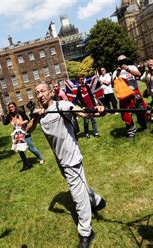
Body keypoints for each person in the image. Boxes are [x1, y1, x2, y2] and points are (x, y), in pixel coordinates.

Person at [28, 83, 106, 248]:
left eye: (43, 91)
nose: (40, 95)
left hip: (72, 159)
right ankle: (97, 201)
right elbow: (27, 130)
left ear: (50, 92)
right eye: (37, 93)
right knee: (80, 186)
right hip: (60, 161)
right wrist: (35, 117)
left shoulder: (62, 106)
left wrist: (98, 113)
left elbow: (83, 113)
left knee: (77, 197)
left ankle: (86, 231)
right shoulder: (39, 115)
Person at [1, 102, 45, 171]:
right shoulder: (9, 116)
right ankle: (26, 164)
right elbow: (5, 123)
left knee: (30, 147)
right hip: (17, 134)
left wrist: (21, 123)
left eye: (12, 106)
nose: (11, 108)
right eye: (10, 107)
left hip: (25, 132)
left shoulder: (20, 112)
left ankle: (41, 158)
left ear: (15, 107)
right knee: (20, 150)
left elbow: (27, 120)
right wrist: (3, 117)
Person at [113, 55, 148, 139]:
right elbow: (112, 83)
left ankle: (143, 126)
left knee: (140, 111)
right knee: (126, 113)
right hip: (124, 95)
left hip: (134, 93)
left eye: (124, 60)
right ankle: (131, 131)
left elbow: (139, 74)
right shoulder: (116, 71)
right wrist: (118, 72)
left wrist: (127, 69)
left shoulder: (132, 67)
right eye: (120, 61)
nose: (122, 62)